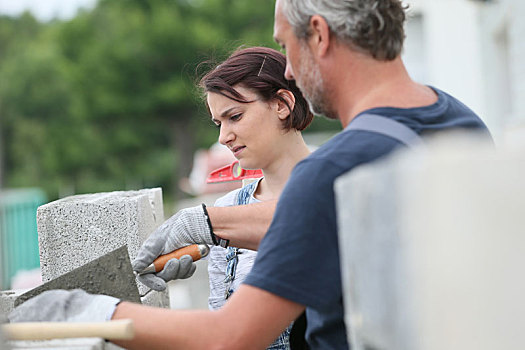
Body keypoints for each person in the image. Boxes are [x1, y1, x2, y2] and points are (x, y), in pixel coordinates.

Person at [9, 1, 491, 349]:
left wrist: (95, 313)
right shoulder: (461, 125)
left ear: (319, 35)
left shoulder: (331, 170)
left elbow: (230, 337)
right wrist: (209, 226)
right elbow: (343, 221)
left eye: (286, 44)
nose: (292, 73)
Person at [203, 46, 312, 349]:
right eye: (218, 123)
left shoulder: (336, 187)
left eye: (234, 116)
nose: (223, 137)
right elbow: (220, 328)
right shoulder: (225, 210)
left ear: (281, 103)